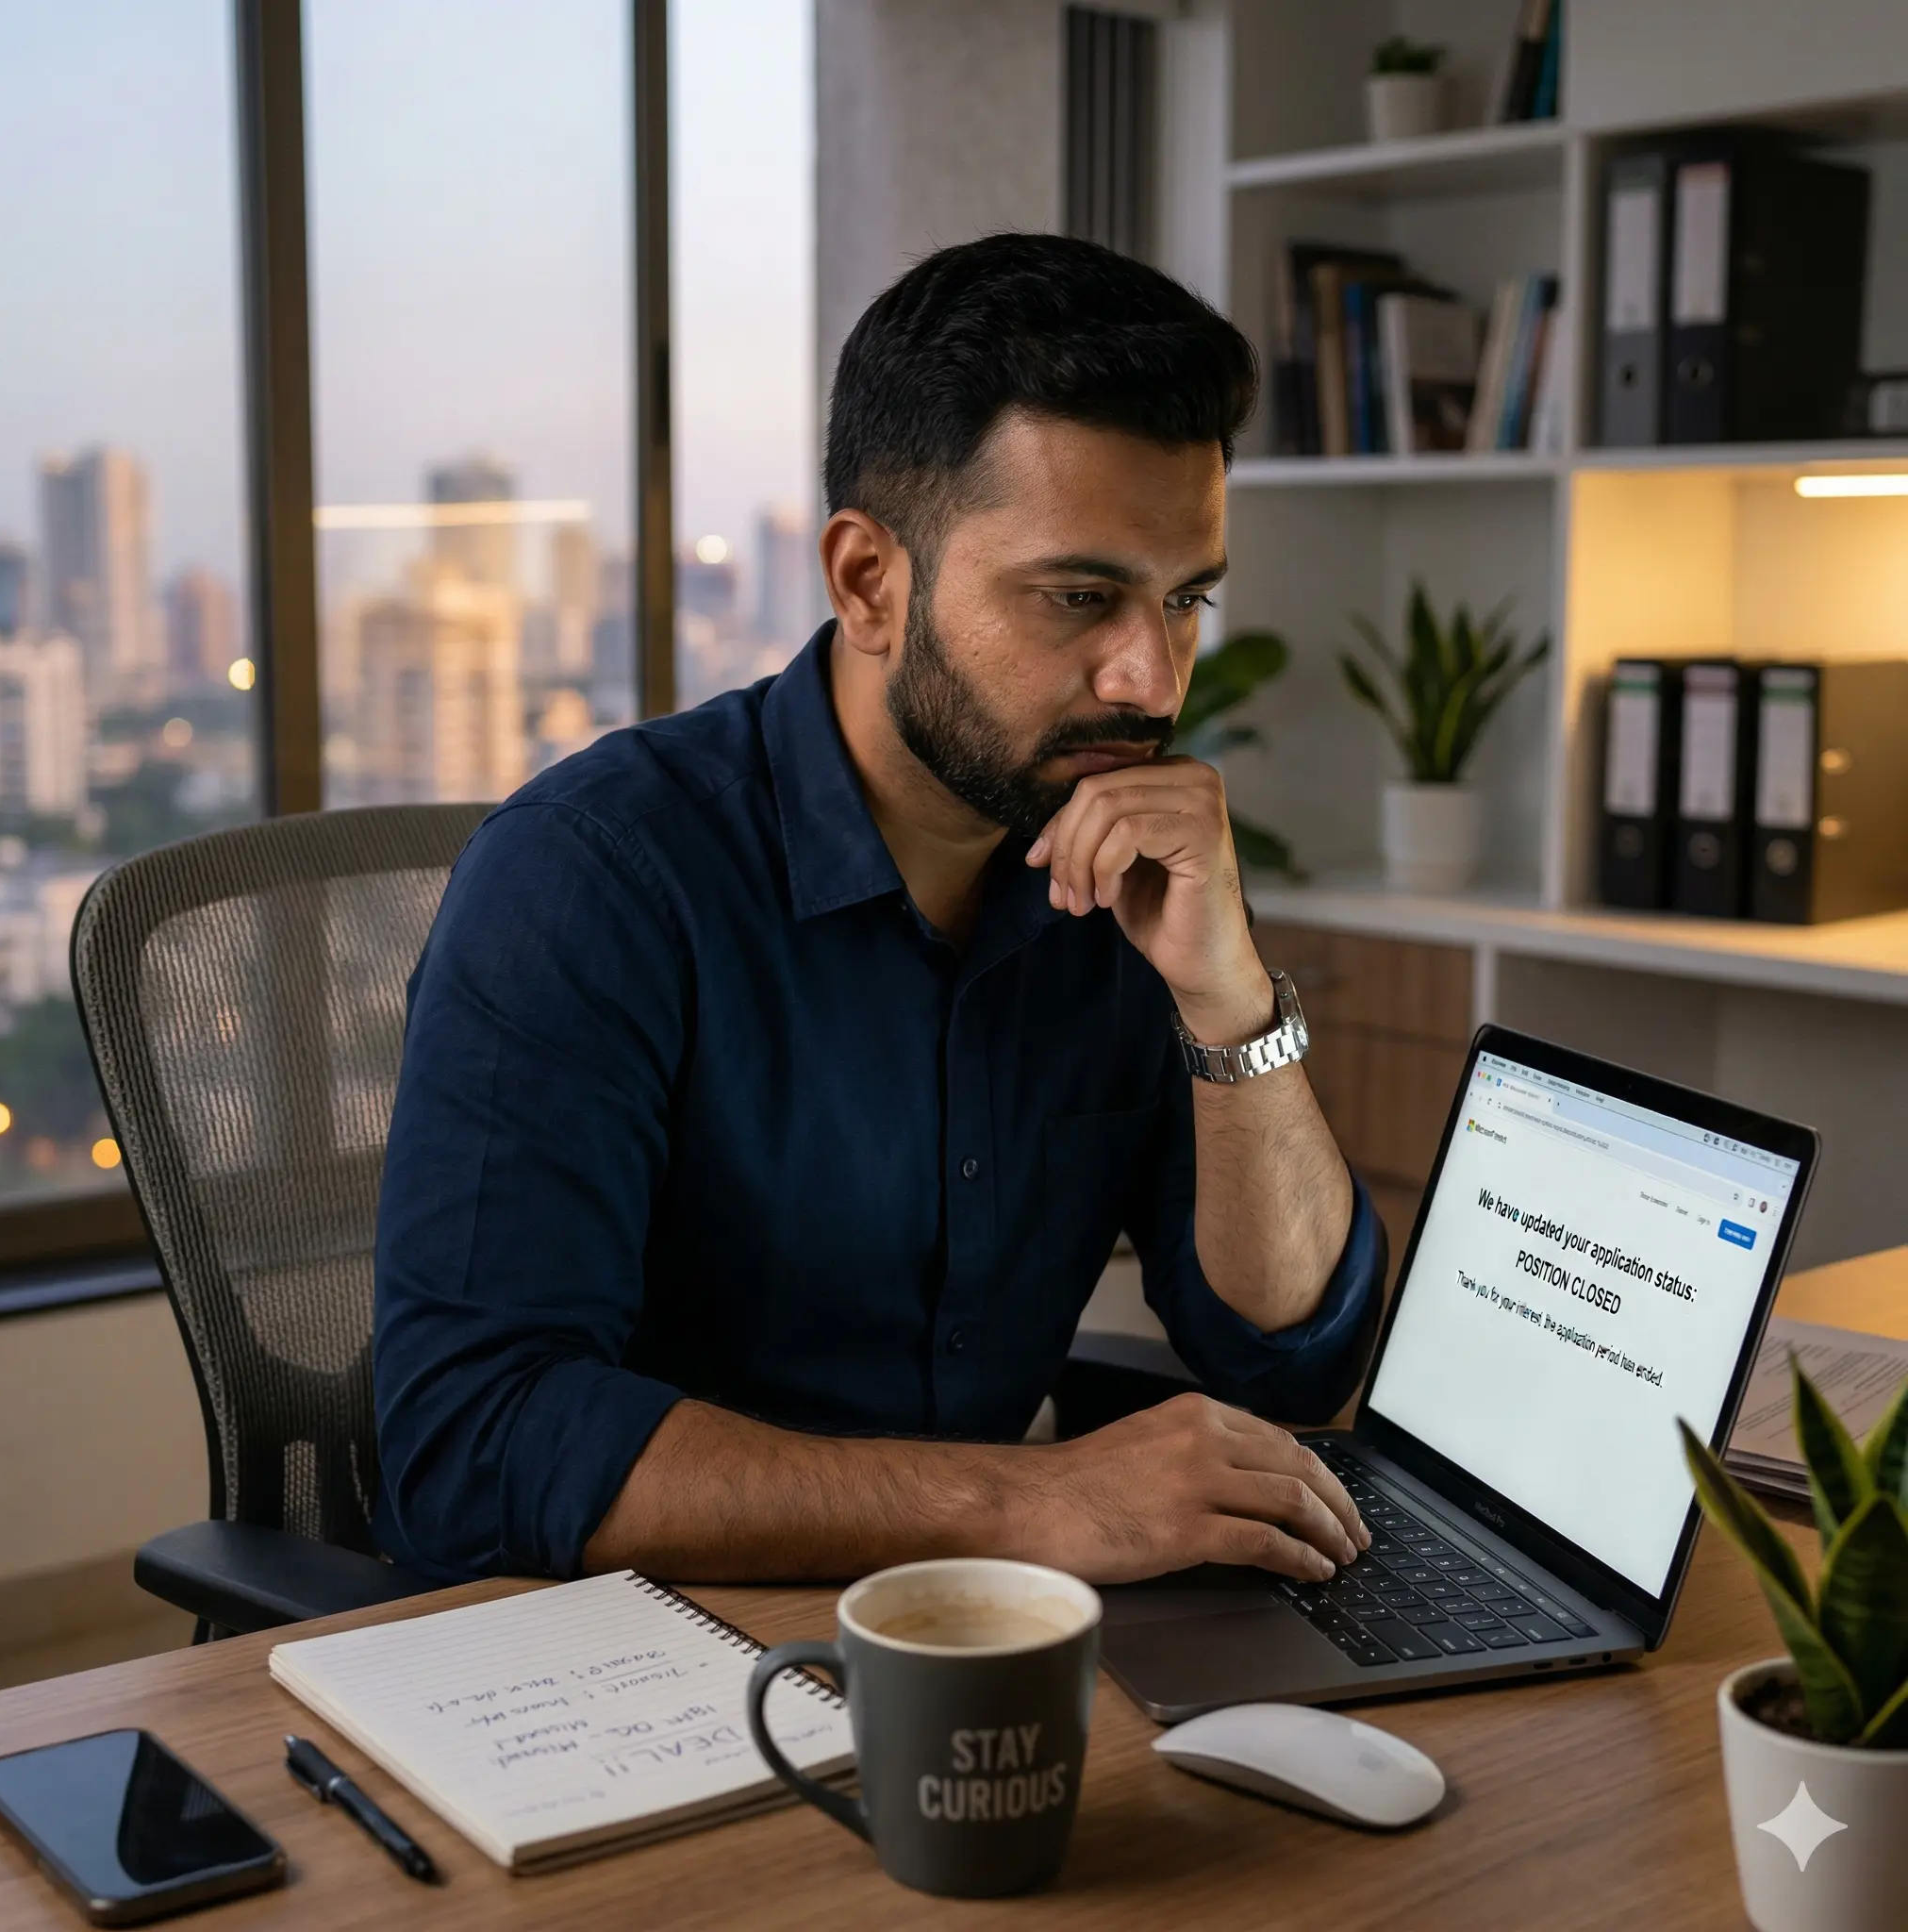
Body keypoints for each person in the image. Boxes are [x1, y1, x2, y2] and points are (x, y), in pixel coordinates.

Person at [373, 232, 1382, 1591]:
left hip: (980, 1640)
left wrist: (1230, 1003)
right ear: (868, 582)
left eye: (1184, 600)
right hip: (625, 1655)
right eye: (1080, 597)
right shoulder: (592, 878)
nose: (1149, 678)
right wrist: (1026, 1503)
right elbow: (479, 1445)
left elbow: (1289, 1353)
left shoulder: (1125, 870)